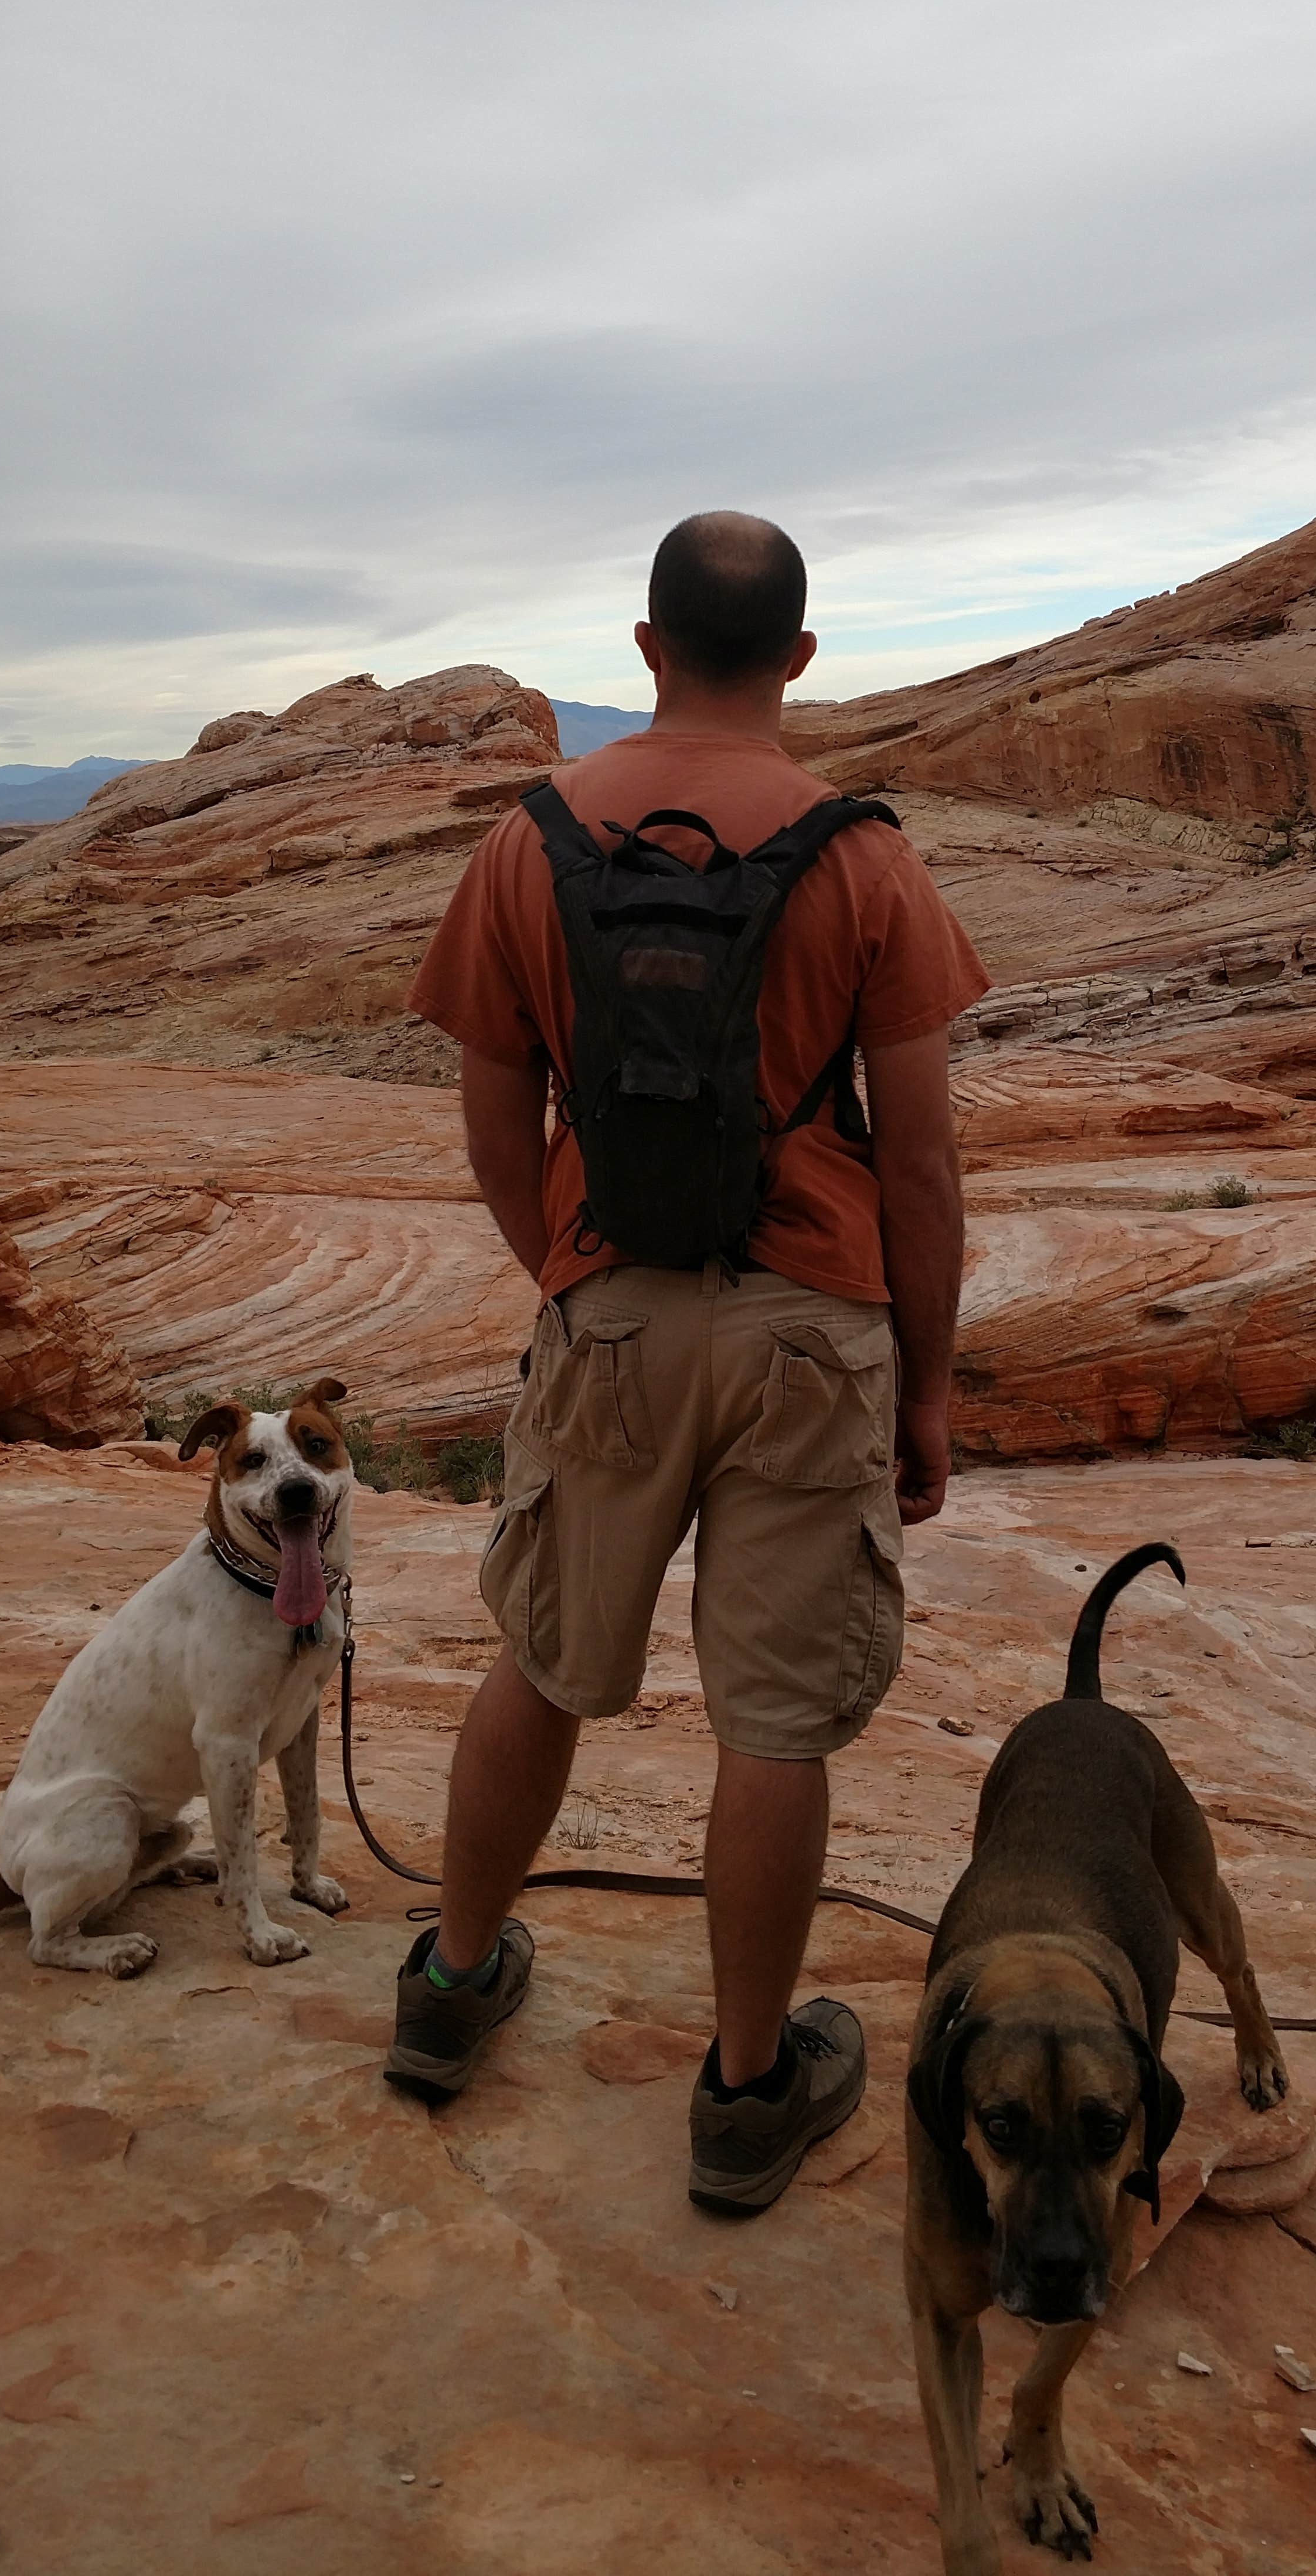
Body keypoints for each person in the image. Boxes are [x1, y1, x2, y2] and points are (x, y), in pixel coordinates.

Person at [386, 511, 988, 2211]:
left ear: (643, 644)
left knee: (547, 1657)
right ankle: (741, 2092)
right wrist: (927, 1387)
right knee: (774, 1724)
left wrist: (582, 1278)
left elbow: (500, 1125)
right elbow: (927, 1162)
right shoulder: (865, 858)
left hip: (611, 1312)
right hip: (813, 1326)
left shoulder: (530, 844)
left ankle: (449, 1991)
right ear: (801, 657)